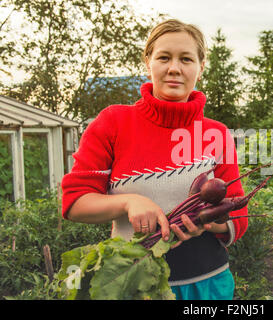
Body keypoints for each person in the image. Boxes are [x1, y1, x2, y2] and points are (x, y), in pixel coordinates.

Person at [61, 19, 248, 300]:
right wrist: (128, 201)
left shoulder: (216, 133)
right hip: (132, 286)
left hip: (207, 286)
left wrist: (206, 221)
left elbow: (237, 216)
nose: (174, 68)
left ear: (201, 66)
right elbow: (75, 202)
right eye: (164, 57)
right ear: (148, 61)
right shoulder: (113, 122)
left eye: (186, 58)